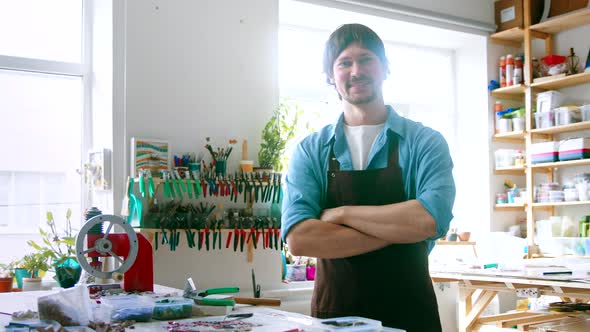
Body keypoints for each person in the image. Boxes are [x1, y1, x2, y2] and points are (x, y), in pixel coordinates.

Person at [281, 23, 455, 331]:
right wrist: (400, 230)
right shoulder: (311, 150)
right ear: (330, 76)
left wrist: (343, 214)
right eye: (344, 63)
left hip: (410, 314)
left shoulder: (424, 142)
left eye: (366, 59)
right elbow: (299, 238)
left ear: (385, 68)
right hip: (335, 317)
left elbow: (430, 220)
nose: (356, 70)